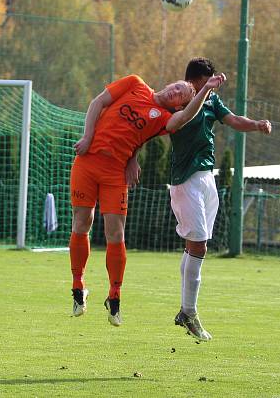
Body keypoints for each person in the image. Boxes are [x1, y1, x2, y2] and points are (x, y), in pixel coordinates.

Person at [69, 72, 226, 326]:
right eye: (176, 87)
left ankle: (115, 298)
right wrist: (87, 136)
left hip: (115, 173)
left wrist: (204, 90)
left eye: (181, 95)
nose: (175, 92)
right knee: (81, 223)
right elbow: (98, 103)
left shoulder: (165, 118)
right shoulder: (134, 83)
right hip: (87, 162)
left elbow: (182, 119)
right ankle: (78, 288)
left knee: (115, 233)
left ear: (178, 105)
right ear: (169, 83)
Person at [170, 57, 271, 340]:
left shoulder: (212, 101)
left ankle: (185, 310)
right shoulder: (177, 100)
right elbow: (170, 122)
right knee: (199, 245)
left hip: (206, 177)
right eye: (208, 83)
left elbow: (233, 120)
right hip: (185, 179)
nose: (212, 89)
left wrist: (256, 125)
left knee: (197, 245)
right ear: (195, 81)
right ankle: (189, 312)